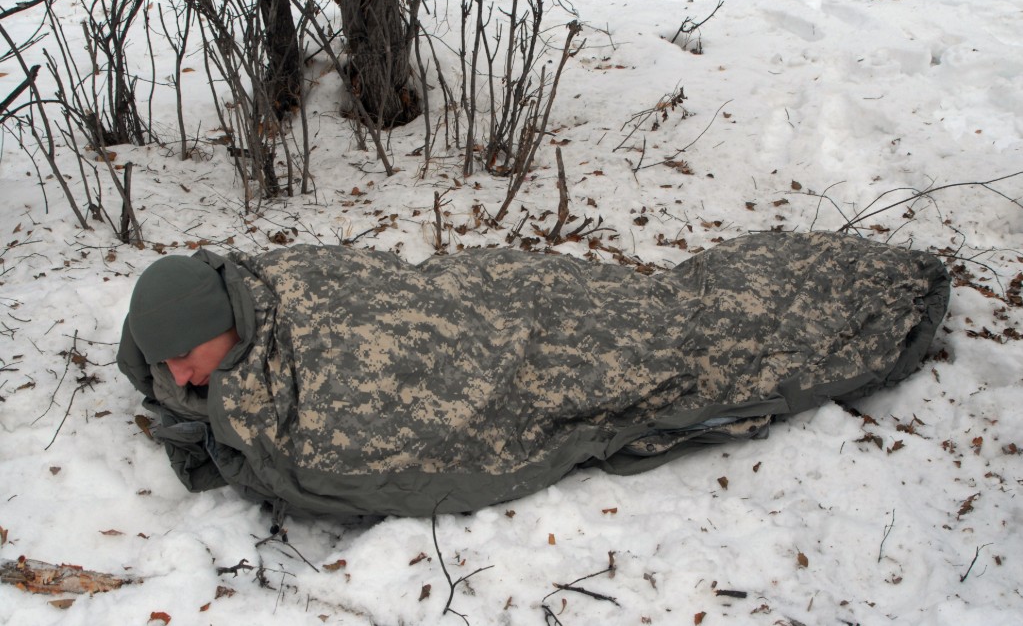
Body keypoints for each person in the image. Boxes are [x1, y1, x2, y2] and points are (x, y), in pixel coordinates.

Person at [118, 231, 949, 521]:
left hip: (513, 315)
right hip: (488, 310)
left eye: (187, 357)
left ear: (227, 319)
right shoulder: (214, 335)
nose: (177, 376)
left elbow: (346, 442)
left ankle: (872, 292)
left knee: (678, 336)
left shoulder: (280, 294)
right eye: (167, 365)